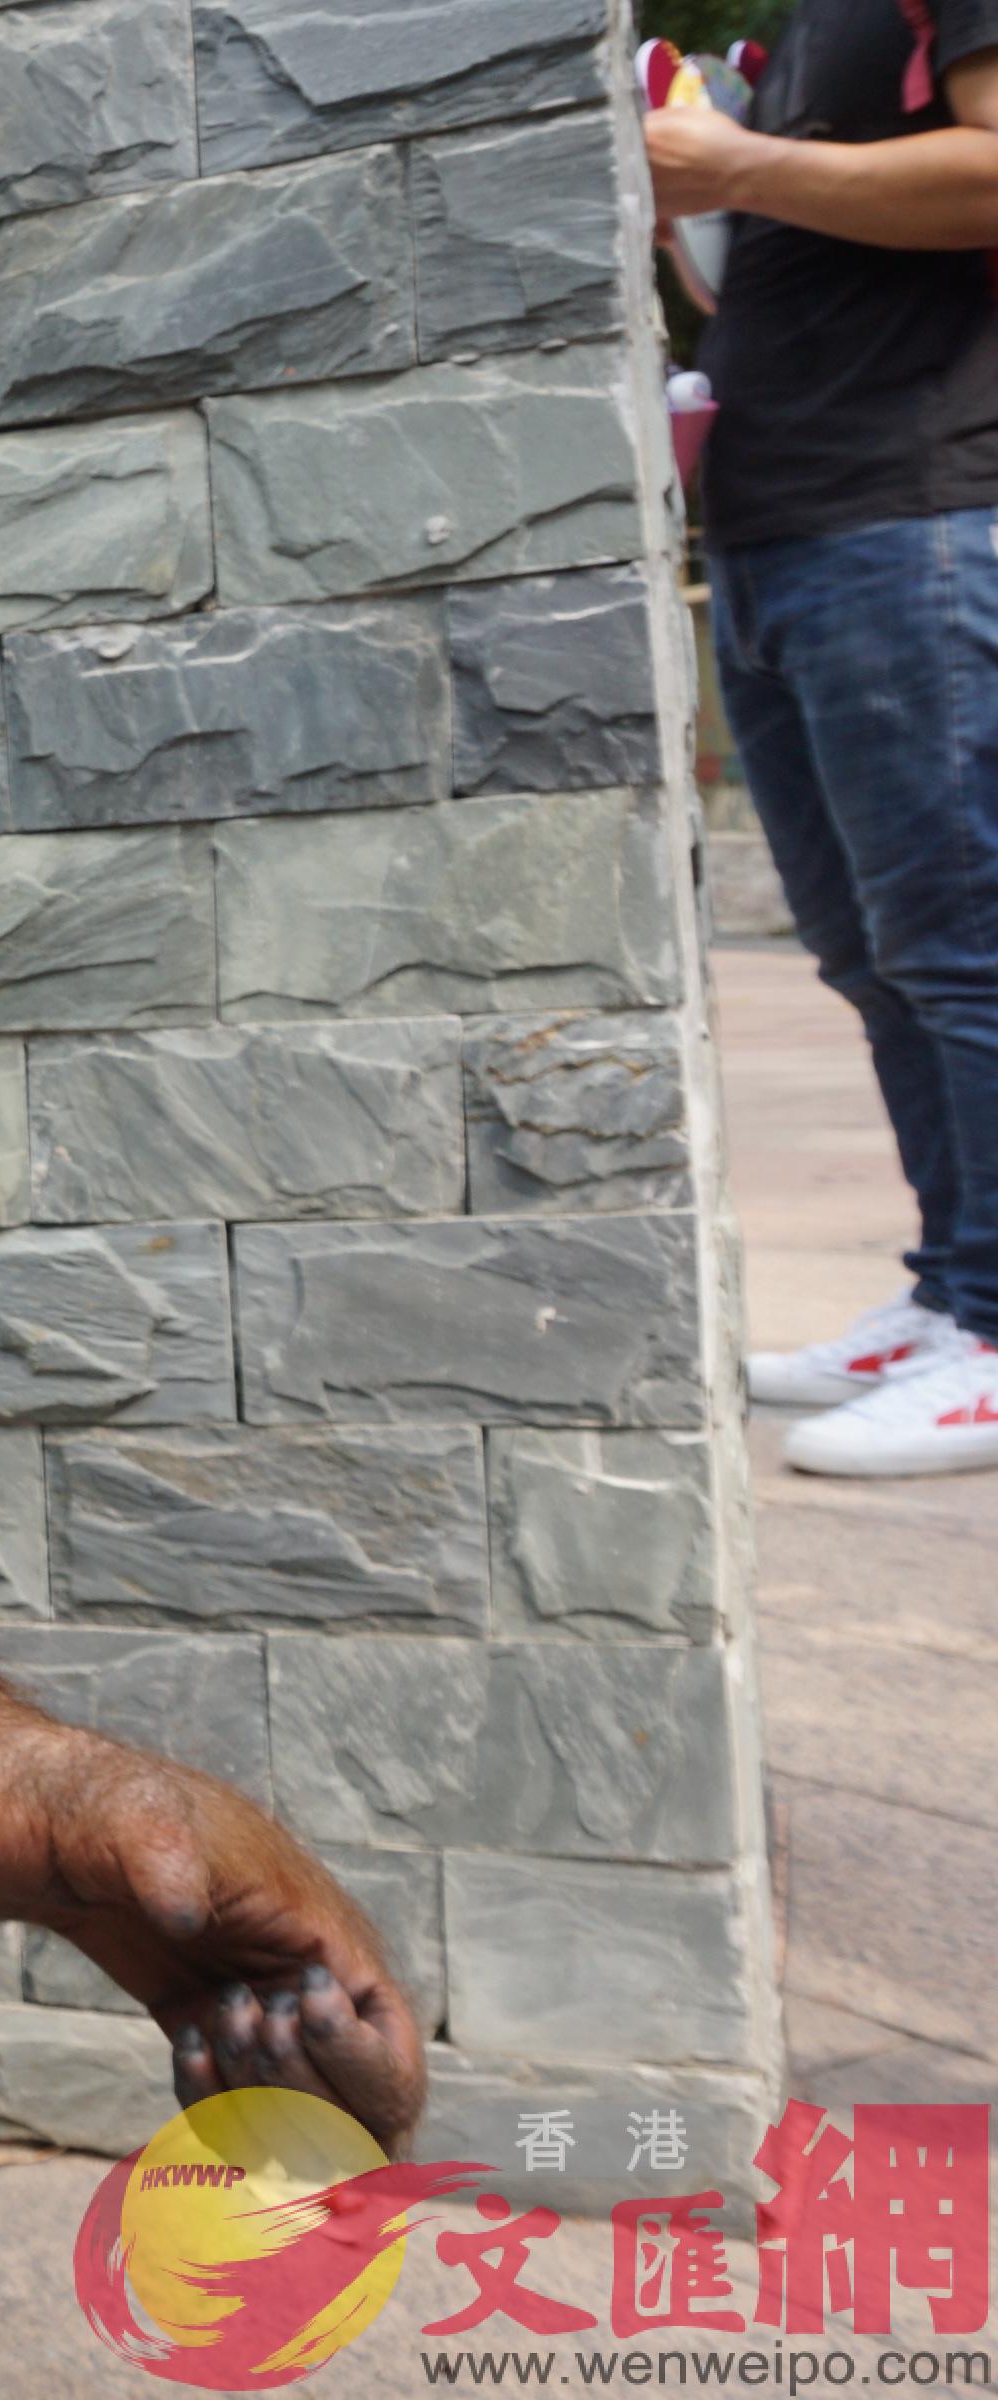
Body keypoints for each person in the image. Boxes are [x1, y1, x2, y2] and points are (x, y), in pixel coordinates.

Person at [657, 0, 998, 1475]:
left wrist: (731, 165)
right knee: (875, 953)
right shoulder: (815, 23)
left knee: (965, 943)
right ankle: (957, 1293)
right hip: (787, 518)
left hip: (916, 506)